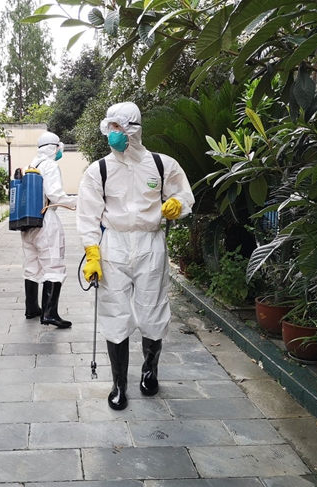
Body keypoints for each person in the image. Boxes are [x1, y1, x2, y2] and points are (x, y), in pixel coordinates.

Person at [76, 102, 195, 410]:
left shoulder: (162, 165)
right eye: (110, 128)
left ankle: (150, 370)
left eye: (117, 127)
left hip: (150, 243)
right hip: (113, 245)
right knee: (114, 312)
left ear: (133, 129)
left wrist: (177, 205)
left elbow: (184, 194)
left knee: (152, 309)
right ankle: (119, 383)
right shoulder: (99, 170)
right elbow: (87, 215)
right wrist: (92, 252)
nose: (112, 134)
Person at [21, 131, 77, 328]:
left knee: (31, 265)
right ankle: (50, 313)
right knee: (53, 265)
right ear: (55, 147)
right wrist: (78, 201)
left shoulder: (30, 165)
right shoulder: (50, 165)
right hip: (46, 221)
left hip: (27, 223)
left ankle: (32, 308)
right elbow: (55, 195)